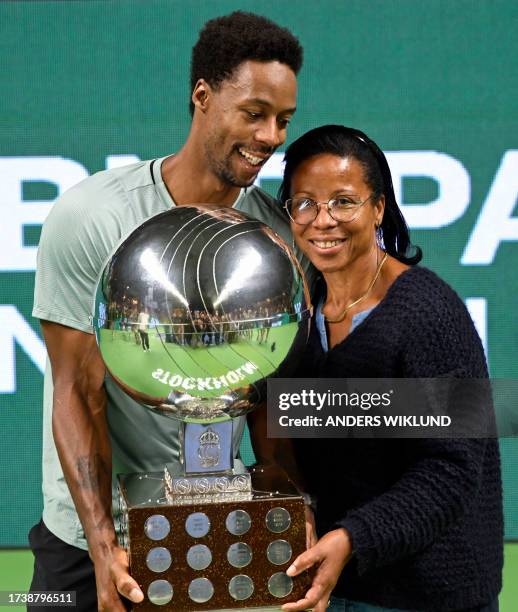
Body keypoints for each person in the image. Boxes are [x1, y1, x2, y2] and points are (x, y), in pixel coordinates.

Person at [30, 12, 312, 612]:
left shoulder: (278, 235)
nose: (270, 137)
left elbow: (272, 397)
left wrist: (292, 510)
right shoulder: (92, 217)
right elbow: (78, 391)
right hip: (83, 544)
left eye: (283, 120)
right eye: (254, 112)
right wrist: (104, 546)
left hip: (215, 529)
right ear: (203, 96)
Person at [277, 125, 503, 612]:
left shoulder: (427, 313)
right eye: (305, 203)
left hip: (428, 596)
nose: (323, 221)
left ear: (378, 207)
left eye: (343, 201)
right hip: (334, 586)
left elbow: (451, 471)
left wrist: (352, 537)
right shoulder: (300, 311)